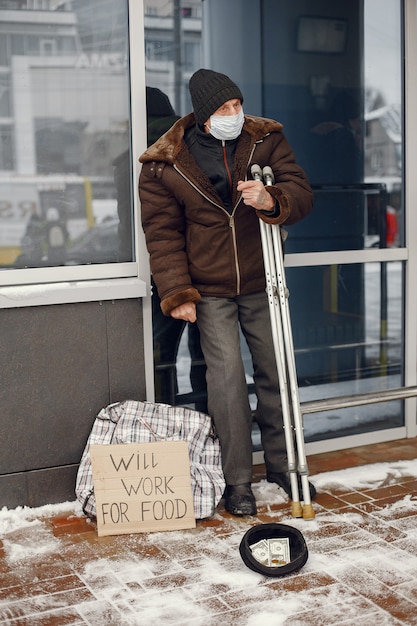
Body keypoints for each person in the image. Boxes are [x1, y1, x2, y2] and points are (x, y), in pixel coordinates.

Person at [139, 68, 314, 516]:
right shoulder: (166, 161)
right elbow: (162, 233)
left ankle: (286, 469)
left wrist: (272, 198)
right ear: (203, 115)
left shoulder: (265, 139)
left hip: (262, 281)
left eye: (237, 105)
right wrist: (177, 292)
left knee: (277, 373)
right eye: (223, 109)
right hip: (210, 288)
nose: (234, 115)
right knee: (226, 383)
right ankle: (238, 482)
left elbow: (301, 191)